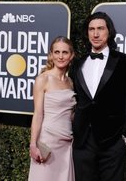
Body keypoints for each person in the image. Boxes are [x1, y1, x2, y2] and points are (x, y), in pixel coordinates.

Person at [69, 12, 126, 181]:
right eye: (91, 29)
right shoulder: (78, 64)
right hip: (83, 143)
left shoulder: (125, 62)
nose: (95, 34)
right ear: (87, 33)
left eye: (100, 29)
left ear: (109, 31)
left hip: (113, 142)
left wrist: (125, 138)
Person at [28, 36, 76, 181]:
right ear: (51, 55)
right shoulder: (43, 79)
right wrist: (33, 144)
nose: (60, 56)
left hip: (67, 143)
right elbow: (38, 114)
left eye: (65, 52)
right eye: (56, 52)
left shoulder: (71, 82)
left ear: (71, 55)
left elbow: (70, 114)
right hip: (47, 142)